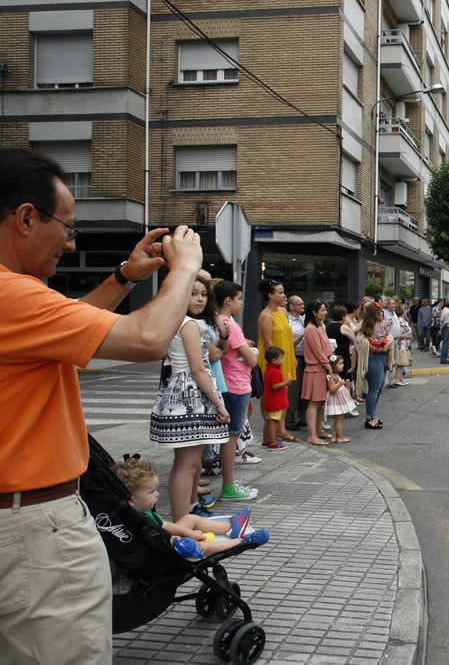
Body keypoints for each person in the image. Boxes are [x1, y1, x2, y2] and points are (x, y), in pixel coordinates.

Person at [0, 148, 209, 662]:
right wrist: (185, 269)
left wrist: (124, 277)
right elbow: (147, 339)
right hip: (34, 528)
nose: (71, 245)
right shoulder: (13, 295)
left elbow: (71, 329)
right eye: (67, 228)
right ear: (26, 218)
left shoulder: (18, 306)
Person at [150, 274, 232, 521]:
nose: (199, 299)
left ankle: (185, 516)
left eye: (204, 294)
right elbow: (198, 369)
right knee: (187, 465)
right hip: (190, 396)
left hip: (182, 394)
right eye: (193, 293)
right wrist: (219, 403)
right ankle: (182, 520)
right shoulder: (188, 325)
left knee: (188, 463)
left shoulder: (181, 322)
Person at [112, 458, 267, 555]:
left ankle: (230, 528)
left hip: (165, 539)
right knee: (203, 546)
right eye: (151, 492)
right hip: (166, 551)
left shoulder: (144, 512)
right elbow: (148, 545)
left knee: (189, 518)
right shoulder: (134, 521)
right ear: (132, 500)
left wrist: (189, 533)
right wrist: (179, 539)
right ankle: (243, 541)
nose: (157, 494)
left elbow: (166, 525)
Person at [214, 281, 269, 483]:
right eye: (239, 299)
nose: (241, 303)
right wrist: (250, 351)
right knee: (232, 435)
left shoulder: (216, 321)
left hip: (226, 382)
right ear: (228, 301)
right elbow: (252, 360)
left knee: (227, 435)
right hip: (236, 383)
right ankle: (229, 484)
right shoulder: (230, 325)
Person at [257, 279, 298, 444]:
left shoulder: (282, 312)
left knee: (283, 393)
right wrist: (276, 362)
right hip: (272, 360)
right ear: (270, 295)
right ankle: (271, 429)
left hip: (285, 357)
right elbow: (268, 343)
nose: (283, 295)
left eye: (283, 292)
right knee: (270, 394)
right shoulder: (265, 315)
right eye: (280, 292)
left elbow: (288, 336)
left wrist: (292, 357)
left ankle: (281, 429)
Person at [354, 302, 394, 429]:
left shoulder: (381, 323)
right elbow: (360, 340)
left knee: (380, 387)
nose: (381, 313)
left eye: (381, 311)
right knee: (374, 388)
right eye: (378, 311)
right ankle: (369, 418)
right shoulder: (365, 324)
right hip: (373, 357)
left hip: (382, 355)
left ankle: (372, 415)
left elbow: (388, 336)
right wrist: (377, 349)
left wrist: (386, 345)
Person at [302, 299, 333, 445]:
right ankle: (312, 435)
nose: (325, 313)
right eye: (322, 310)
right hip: (315, 370)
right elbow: (318, 352)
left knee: (320, 402)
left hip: (321, 369)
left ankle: (319, 430)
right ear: (314, 313)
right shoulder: (311, 329)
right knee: (314, 403)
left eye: (325, 310)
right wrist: (329, 367)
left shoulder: (320, 326)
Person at [261, 346, 292, 450]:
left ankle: (266, 440)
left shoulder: (269, 369)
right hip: (274, 401)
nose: (283, 359)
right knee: (273, 422)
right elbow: (275, 386)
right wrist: (286, 383)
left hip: (270, 400)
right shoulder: (275, 371)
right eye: (281, 358)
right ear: (274, 360)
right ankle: (273, 443)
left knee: (269, 421)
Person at [285, 294, 307, 430]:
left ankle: (302, 417)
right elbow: (287, 343)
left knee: (303, 389)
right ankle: (289, 420)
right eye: (299, 304)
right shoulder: (287, 321)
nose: (302, 306)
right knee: (293, 390)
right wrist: (302, 336)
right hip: (294, 356)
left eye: (303, 304)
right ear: (292, 306)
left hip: (306, 357)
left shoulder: (303, 319)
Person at [325, 356, 353, 444]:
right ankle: (340, 437)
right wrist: (340, 384)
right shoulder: (331, 378)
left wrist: (345, 385)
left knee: (337, 420)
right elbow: (332, 390)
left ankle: (334, 437)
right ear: (333, 366)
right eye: (340, 363)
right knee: (339, 420)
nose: (343, 365)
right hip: (336, 402)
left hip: (338, 400)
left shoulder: (336, 376)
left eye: (342, 363)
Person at [391, 307, 414, 384]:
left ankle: (400, 378)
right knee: (400, 362)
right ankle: (397, 379)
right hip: (401, 344)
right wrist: (408, 336)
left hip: (405, 344)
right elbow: (399, 334)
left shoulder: (402, 320)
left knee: (402, 363)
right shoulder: (400, 321)